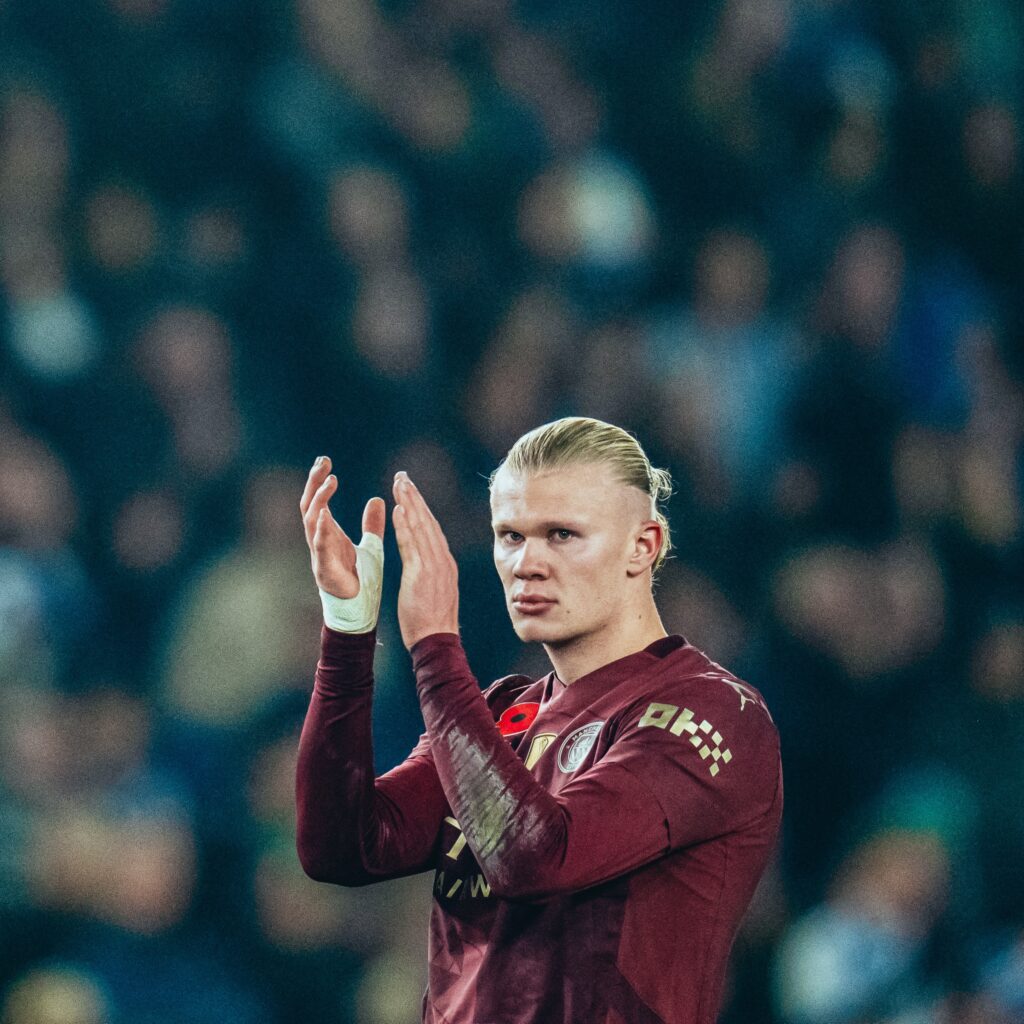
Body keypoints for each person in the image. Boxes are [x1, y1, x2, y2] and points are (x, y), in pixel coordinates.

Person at [295, 416, 782, 1024]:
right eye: (510, 536)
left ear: (644, 545)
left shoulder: (712, 713)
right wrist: (346, 632)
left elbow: (536, 858)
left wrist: (436, 649)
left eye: (561, 534)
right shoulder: (503, 714)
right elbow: (342, 848)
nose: (526, 563)